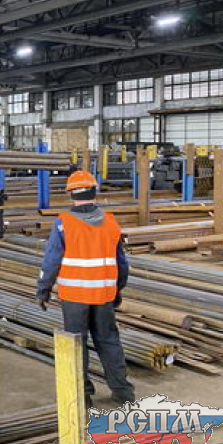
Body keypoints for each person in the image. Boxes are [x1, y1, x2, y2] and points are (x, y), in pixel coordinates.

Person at [36, 169, 135, 408]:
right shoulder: (110, 223)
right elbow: (121, 264)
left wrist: (43, 288)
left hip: (74, 298)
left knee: (76, 344)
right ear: (94, 191)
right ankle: (123, 393)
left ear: (71, 194)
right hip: (103, 295)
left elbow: (51, 260)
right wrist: (117, 290)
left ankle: (82, 395)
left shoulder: (63, 224)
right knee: (109, 341)